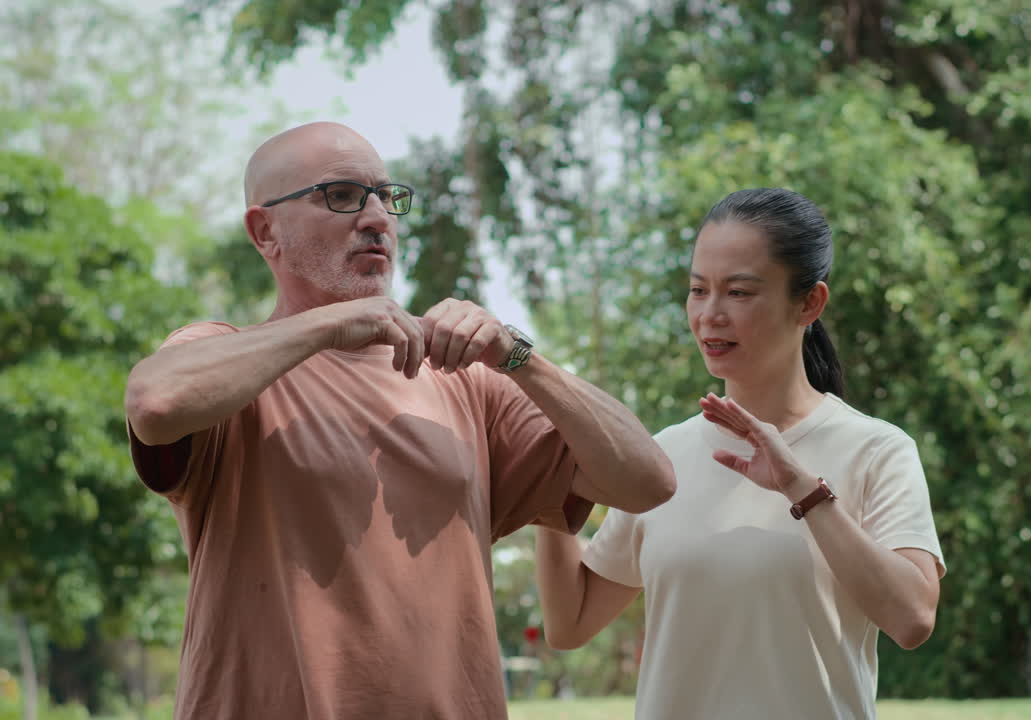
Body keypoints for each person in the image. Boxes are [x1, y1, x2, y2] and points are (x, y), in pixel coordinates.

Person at [124, 121, 676, 720]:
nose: (377, 217)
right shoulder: (224, 360)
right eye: (341, 195)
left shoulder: (467, 381)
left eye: (387, 197)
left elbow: (649, 481)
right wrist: (330, 325)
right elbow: (155, 403)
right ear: (265, 232)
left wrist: (520, 356)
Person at [534, 188, 945, 720]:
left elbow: (912, 618)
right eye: (698, 290)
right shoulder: (663, 457)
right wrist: (547, 479)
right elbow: (571, 623)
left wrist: (803, 489)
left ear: (810, 303)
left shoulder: (877, 450)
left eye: (739, 293)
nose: (710, 315)